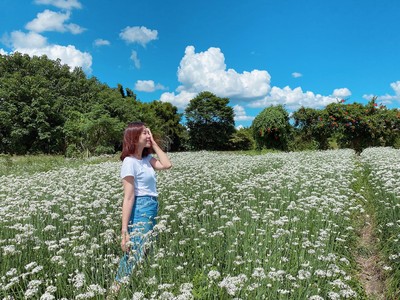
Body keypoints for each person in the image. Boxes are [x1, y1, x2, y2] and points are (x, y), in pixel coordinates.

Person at [111, 122, 172, 293]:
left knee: (144, 249)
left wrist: (154, 144)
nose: (148, 136)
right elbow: (128, 197)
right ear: (133, 137)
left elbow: (167, 165)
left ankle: (129, 286)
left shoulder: (146, 159)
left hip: (151, 205)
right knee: (135, 251)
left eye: (149, 133)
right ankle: (115, 290)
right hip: (140, 207)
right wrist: (124, 231)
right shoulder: (129, 162)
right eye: (145, 133)